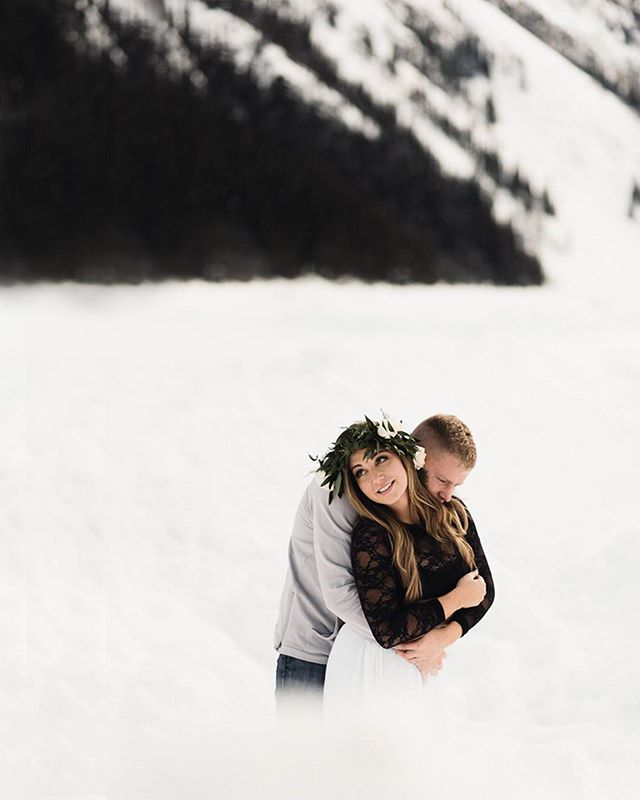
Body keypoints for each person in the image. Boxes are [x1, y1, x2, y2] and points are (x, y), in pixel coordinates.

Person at [273, 414, 494, 707]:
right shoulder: (337, 493)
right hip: (314, 648)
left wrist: (442, 637)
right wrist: (420, 647)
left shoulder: (432, 512)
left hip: (384, 660)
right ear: (417, 456)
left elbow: (481, 589)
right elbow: (342, 597)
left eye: (457, 485)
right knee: (301, 750)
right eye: (442, 480)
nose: (447, 494)